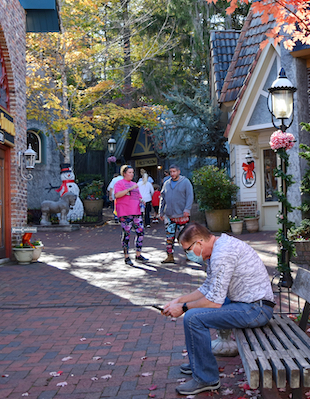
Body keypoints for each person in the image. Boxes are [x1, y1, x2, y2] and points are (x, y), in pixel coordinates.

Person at [162, 223, 274, 395]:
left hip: (255, 310)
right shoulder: (219, 247)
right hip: (247, 304)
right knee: (193, 315)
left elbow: (213, 301)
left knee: (193, 318)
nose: (188, 255)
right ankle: (198, 365)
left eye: (187, 250)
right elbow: (209, 288)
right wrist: (179, 300)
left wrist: (183, 307)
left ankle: (206, 379)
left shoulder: (223, 253)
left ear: (199, 243)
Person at [113, 165, 148, 265]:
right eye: (129, 172)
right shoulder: (119, 183)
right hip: (125, 213)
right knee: (127, 234)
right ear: (124, 173)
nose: (132, 174)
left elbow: (138, 196)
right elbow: (117, 195)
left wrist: (141, 200)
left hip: (136, 212)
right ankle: (127, 257)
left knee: (141, 232)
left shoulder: (134, 184)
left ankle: (138, 254)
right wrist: (129, 189)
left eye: (133, 172)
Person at [159, 165, 194, 264]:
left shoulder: (185, 182)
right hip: (169, 215)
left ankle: (189, 255)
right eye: (171, 172)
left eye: (174, 171)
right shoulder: (166, 183)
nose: (172, 173)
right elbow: (162, 198)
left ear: (179, 171)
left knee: (185, 237)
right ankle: (170, 256)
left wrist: (187, 209)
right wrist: (160, 212)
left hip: (182, 215)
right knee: (169, 237)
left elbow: (190, 196)